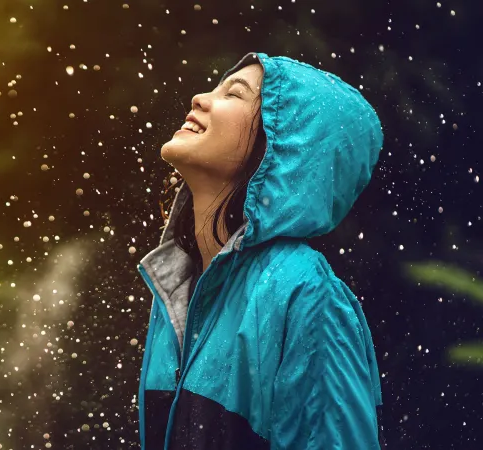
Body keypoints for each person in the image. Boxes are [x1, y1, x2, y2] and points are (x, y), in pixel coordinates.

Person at [136, 52, 386, 450]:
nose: (200, 98)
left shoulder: (305, 292)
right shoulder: (179, 285)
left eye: (234, 94)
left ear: (284, 144)